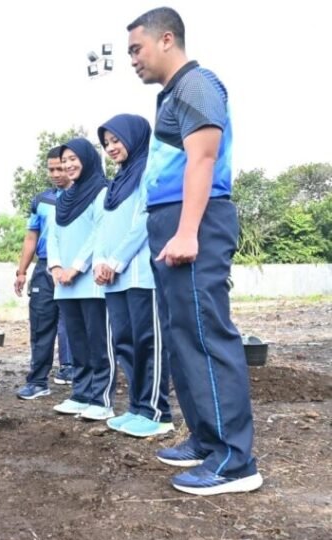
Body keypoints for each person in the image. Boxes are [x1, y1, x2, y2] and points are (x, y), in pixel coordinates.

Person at [126, 7, 262, 495]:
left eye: (136, 49)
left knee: (206, 333)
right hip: (172, 218)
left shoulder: (197, 84)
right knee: (182, 335)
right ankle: (207, 438)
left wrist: (187, 232)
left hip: (195, 218)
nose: (132, 60)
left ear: (167, 40)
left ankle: (235, 462)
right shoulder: (170, 96)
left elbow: (203, 158)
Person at [93, 114, 173, 437]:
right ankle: (137, 407)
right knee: (125, 342)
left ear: (135, 137)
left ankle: (157, 411)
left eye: (116, 140)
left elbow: (144, 220)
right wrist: (100, 260)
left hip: (140, 274)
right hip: (114, 278)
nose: (111, 148)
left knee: (148, 342)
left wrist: (115, 260)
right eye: (106, 143)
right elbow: (103, 226)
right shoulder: (115, 184)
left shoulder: (147, 171)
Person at [48, 138, 113, 421]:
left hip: (90, 282)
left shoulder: (102, 191)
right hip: (64, 284)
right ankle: (81, 393)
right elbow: (53, 236)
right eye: (65, 160)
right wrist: (55, 267)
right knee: (77, 342)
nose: (68, 164)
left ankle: (102, 398)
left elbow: (100, 233)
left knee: (97, 341)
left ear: (88, 158)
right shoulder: (64, 198)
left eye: (74, 158)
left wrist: (75, 267)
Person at [14, 147, 77, 400]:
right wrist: (21, 272)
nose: (56, 173)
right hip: (44, 268)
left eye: (60, 168)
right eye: (51, 169)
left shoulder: (88, 196)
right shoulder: (41, 200)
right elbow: (31, 237)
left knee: (77, 324)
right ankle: (38, 381)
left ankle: (80, 379)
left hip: (76, 269)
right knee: (41, 325)